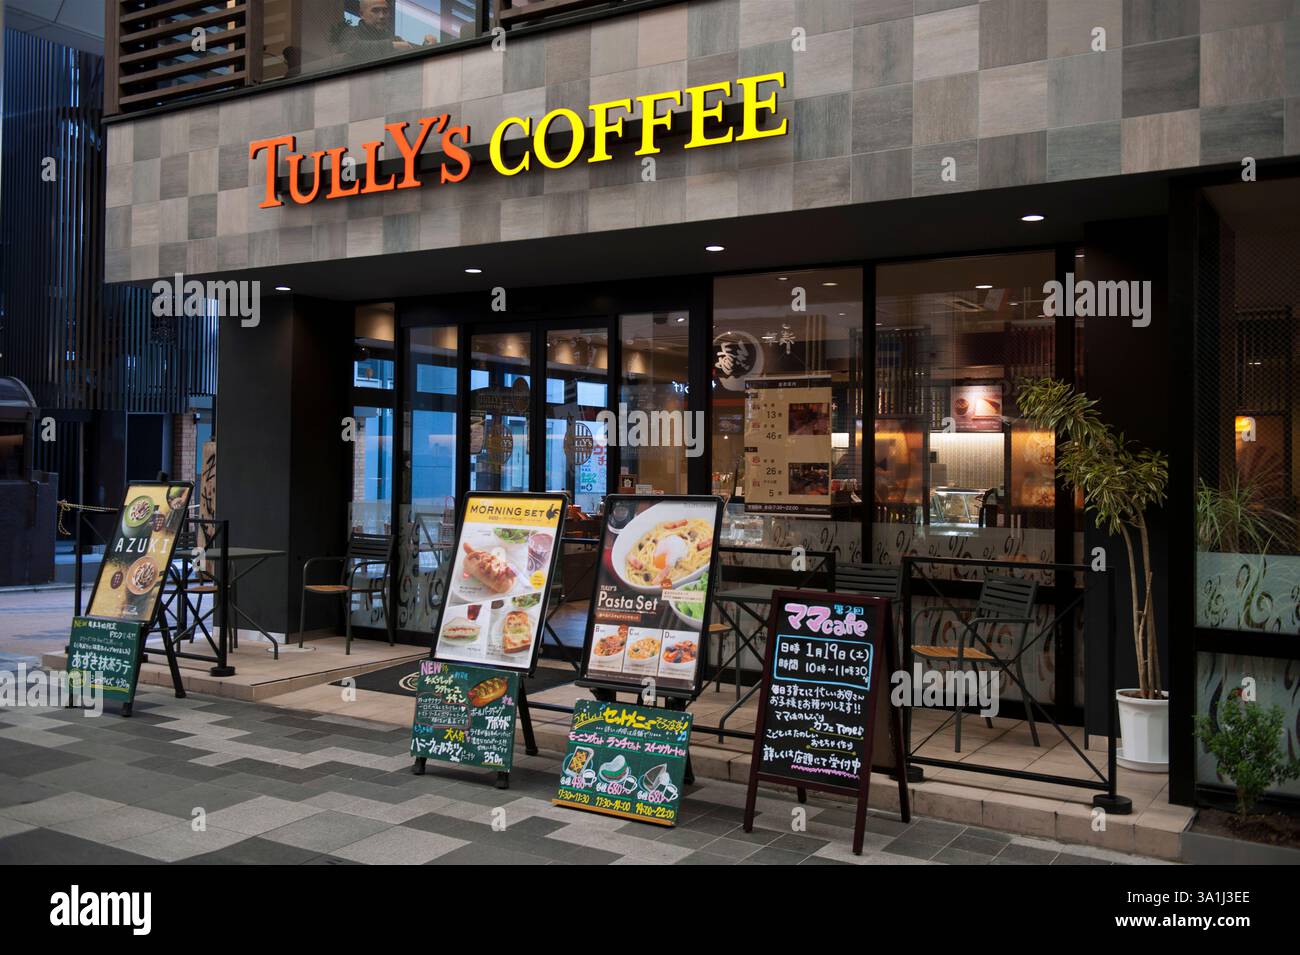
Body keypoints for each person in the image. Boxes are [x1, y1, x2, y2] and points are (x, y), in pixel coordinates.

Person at [333, 0, 436, 62]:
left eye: (385, 11)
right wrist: (392, 46)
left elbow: (410, 49)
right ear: (362, 14)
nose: (382, 16)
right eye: (376, 11)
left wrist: (428, 45)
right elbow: (354, 48)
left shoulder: (392, 38)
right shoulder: (350, 32)